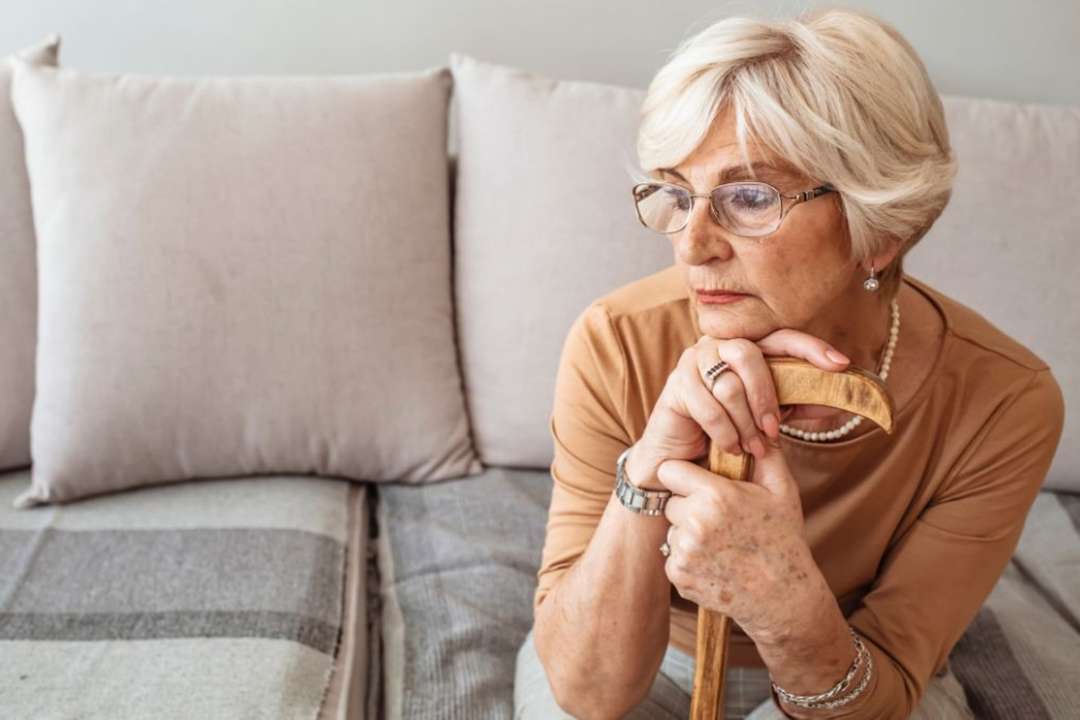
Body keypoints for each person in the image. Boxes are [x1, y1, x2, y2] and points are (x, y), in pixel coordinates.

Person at [514, 6, 1066, 720]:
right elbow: (588, 694)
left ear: (881, 228)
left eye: (749, 197)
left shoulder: (1004, 401)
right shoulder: (616, 341)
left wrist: (781, 602)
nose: (692, 245)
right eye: (678, 194)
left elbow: (889, 681)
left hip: (844, 662)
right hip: (652, 657)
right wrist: (652, 463)